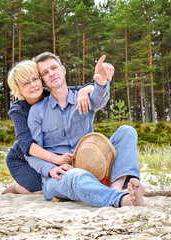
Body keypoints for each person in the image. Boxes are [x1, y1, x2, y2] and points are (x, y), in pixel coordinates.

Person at [27, 52, 146, 207]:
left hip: (94, 167)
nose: (51, 74)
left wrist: (101, 83)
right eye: (45, 72)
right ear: (42, 80)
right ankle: (122, 199)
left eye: (54, 68)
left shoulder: (82, 97)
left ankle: (115, 187)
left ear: (63, 70)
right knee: (76, 176)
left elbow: (99, 98)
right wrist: (50, 170)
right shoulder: (37, 111)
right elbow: (32, 152)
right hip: (59, 177)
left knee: (127, 131)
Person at [2, 59, 94, 194]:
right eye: (26, 83)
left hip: (49, 156)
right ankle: (15, 187)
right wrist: (57, 159)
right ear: (18, 89)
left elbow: (85, 88)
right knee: (42, 189)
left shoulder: (51, 93)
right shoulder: (19, 110)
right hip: (23, 159)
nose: (33, 85)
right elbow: (27, 145)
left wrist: (84, 91)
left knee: (60, 181)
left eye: (35, 79)